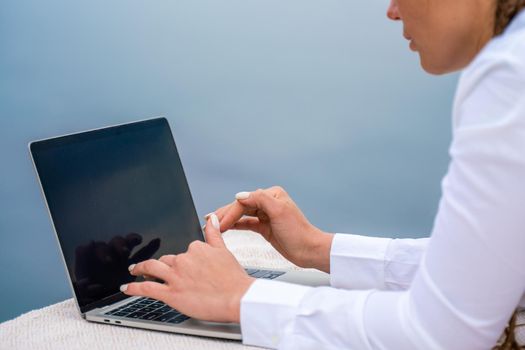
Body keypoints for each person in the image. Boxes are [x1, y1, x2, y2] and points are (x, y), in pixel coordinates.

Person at [119, 0, 525, 348]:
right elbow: (489, 274)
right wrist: (319, 249)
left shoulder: (510, 77)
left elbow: (439, 334)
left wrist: (242, 298)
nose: (392, 11)